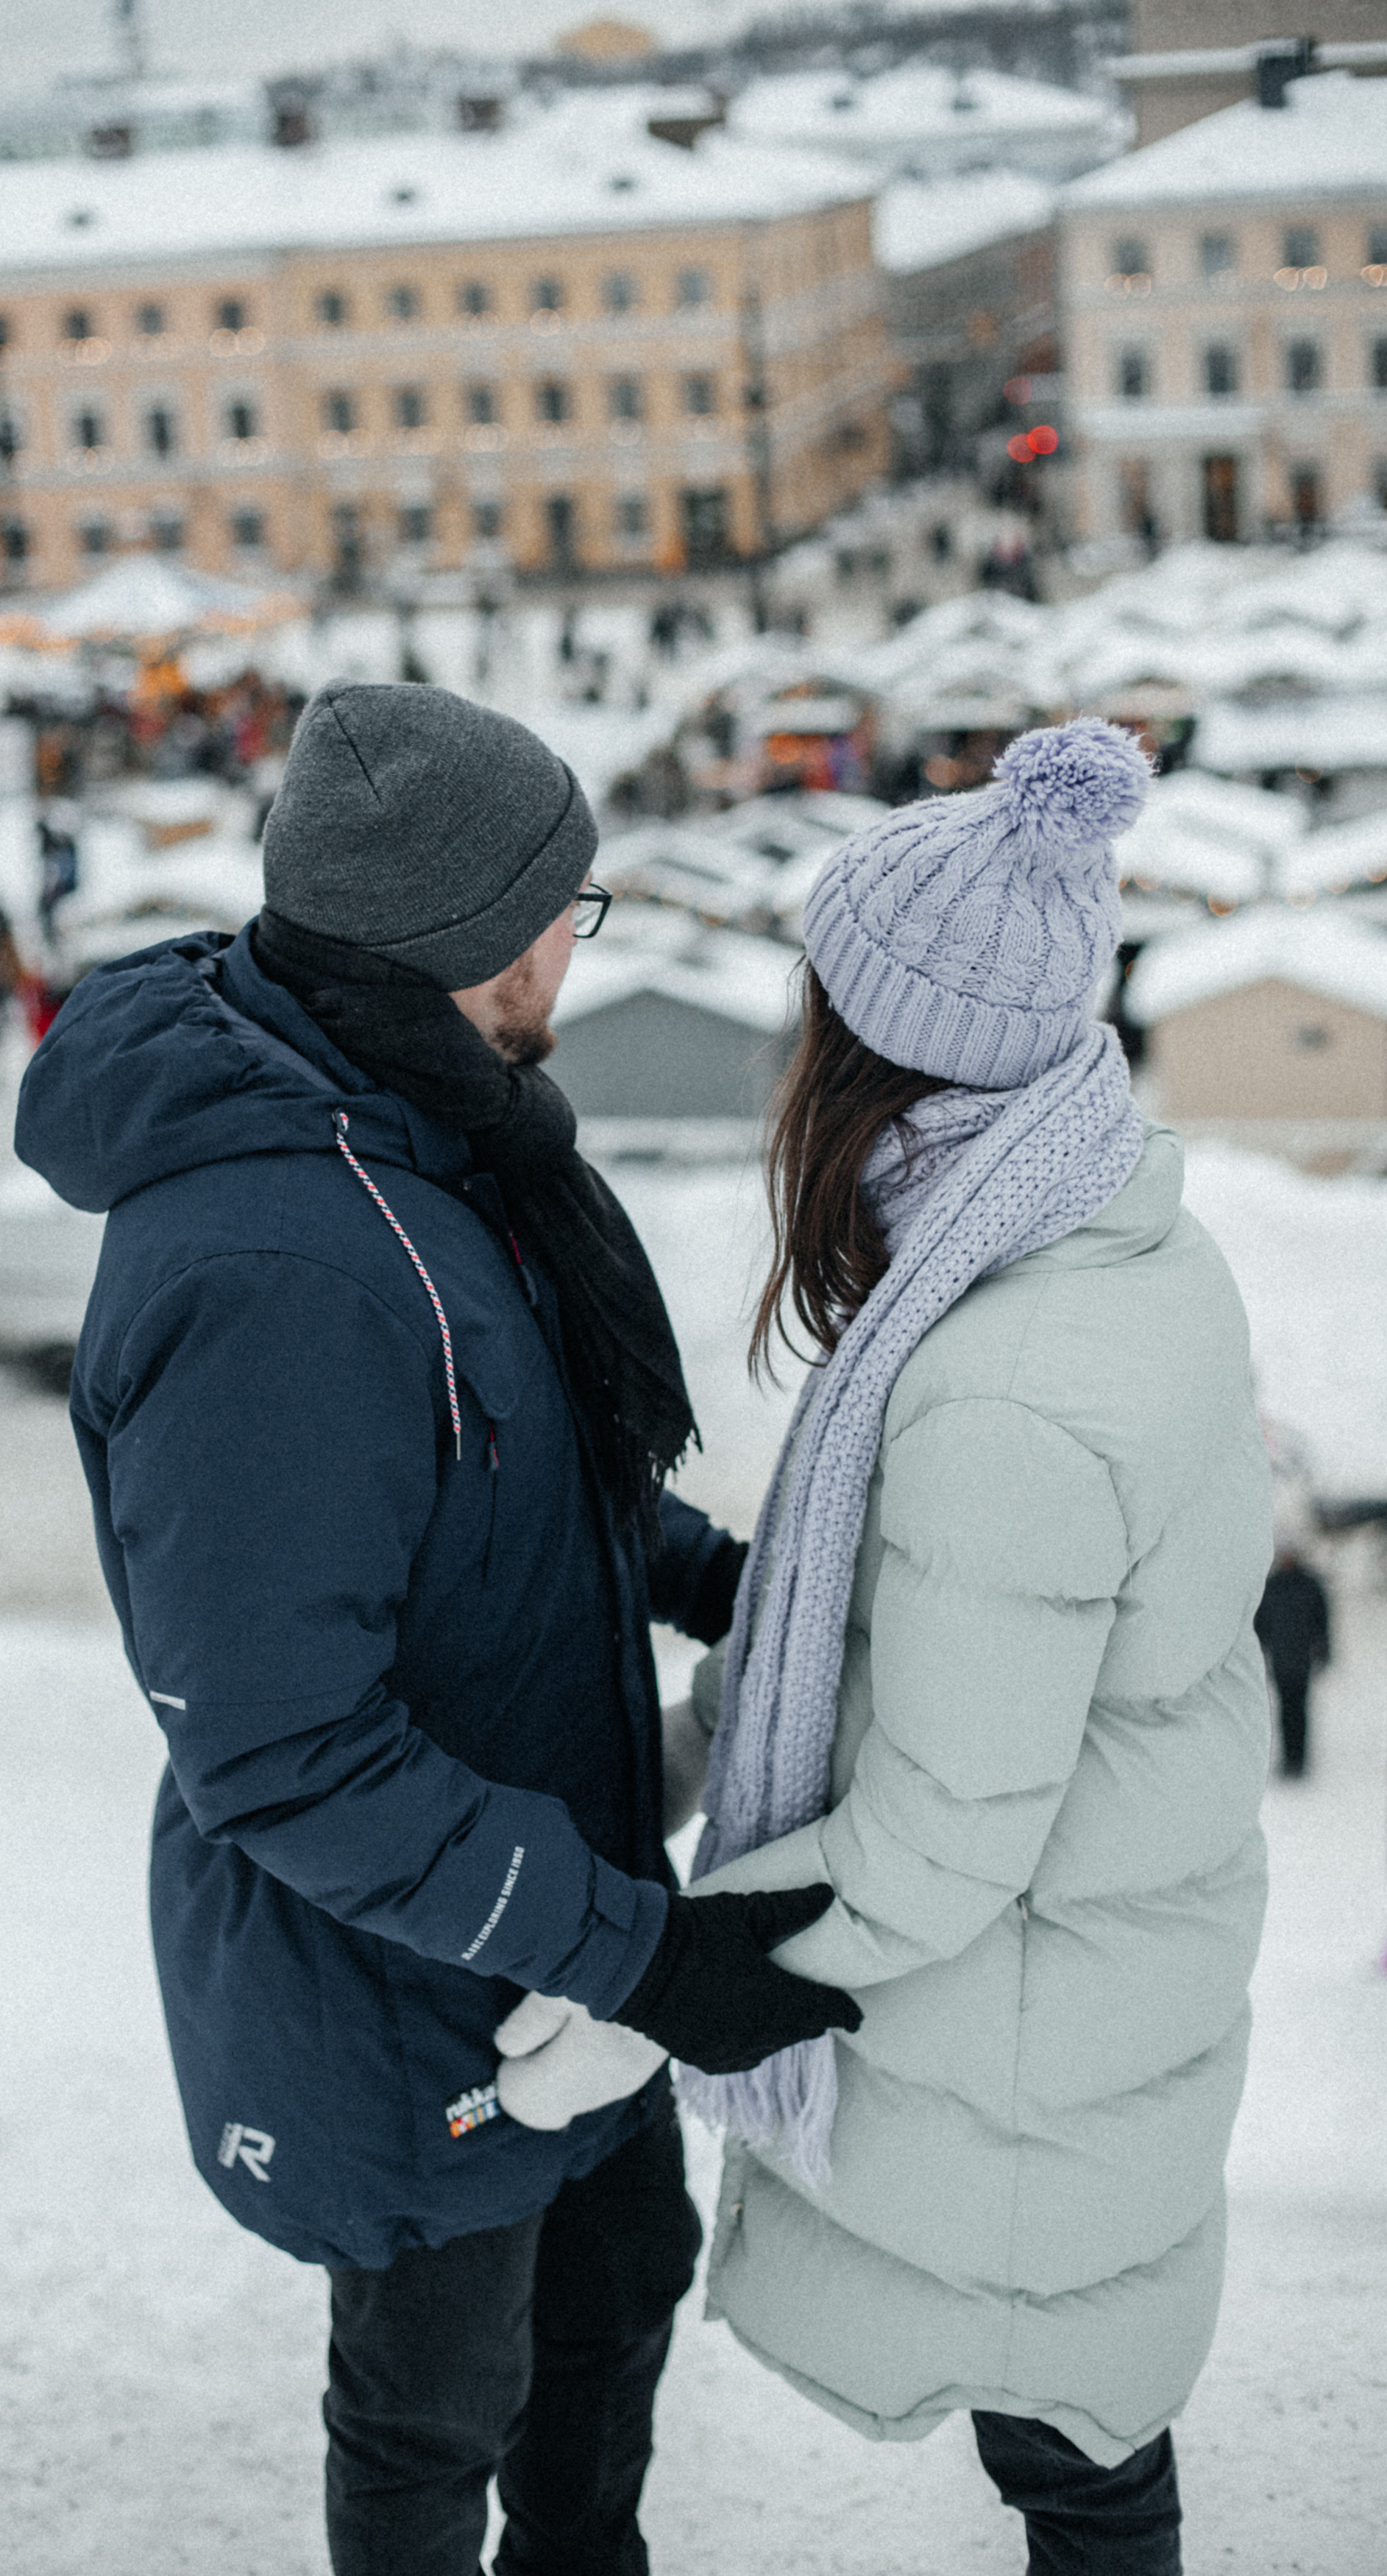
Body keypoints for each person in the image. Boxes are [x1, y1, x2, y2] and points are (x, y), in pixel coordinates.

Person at [13, 681, 855, 2576]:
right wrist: (639, 1954)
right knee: (431, 2432)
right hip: (410, 2001)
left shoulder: (416, 1140)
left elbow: (501, 1481)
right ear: (470, 941)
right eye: (571, 907)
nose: (581, 939)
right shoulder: (274, 1270)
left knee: (608, 2334)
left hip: (554, 1939)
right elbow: (284, 1749)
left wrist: (727, 1581)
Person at [503, 720, 1274, 2576]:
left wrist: (652, 2000)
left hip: (1028, 2032)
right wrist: (684, 1741)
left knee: (1076, 2468)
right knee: (1086, 2441)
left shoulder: (1002, 1386)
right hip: (1091, 1987)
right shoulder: (1096, 1231)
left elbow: (937, 1837)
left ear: (874, 1051)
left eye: (813, 1016)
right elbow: (877, 1640)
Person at [1255, 1547, 1331, 1777]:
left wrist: (1324, 1650)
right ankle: (1289, 1760)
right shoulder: (1272, 1586)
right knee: (1286, 1710)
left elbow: (1322, 1621)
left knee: (1299, 1710)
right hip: (1280, 1658)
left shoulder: (1309, 1585)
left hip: (1302, 1658)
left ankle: (1299, 1760)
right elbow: (1262, 1625)